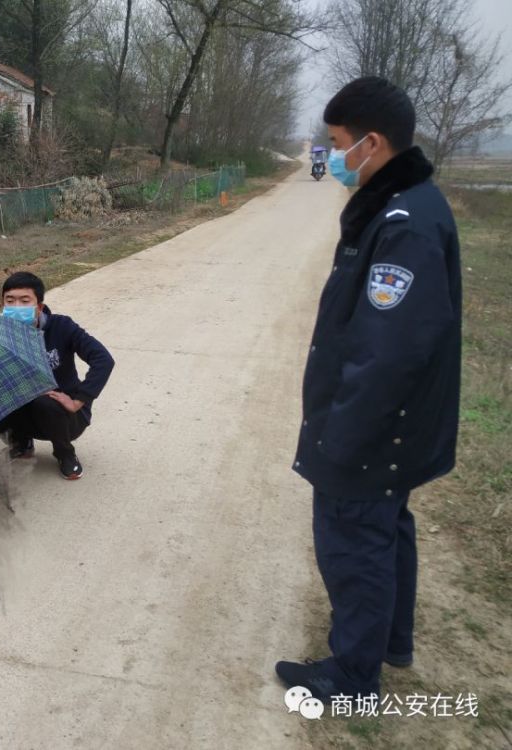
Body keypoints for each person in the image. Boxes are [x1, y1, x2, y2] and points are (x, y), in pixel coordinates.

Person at [276, 77, 462, 702]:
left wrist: (341, 439)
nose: (327, 156)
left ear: (371, 143)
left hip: (375, 429)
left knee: (353, 542)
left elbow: (388, 354)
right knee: (386, 529)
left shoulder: (404, 225)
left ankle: (354, 674)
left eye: (334, 143)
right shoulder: (403, 205)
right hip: (396, 426)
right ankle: (389, 642)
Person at [0, 272, 114, 480]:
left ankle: (65, 453)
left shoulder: (62, 327)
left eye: (24, 301)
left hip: (64, 414)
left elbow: (103, 360)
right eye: (10, 301)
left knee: (45, 401)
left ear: (38, 306)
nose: (17, 307)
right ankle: (21, 443)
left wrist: (79, 400)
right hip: (24, 409)